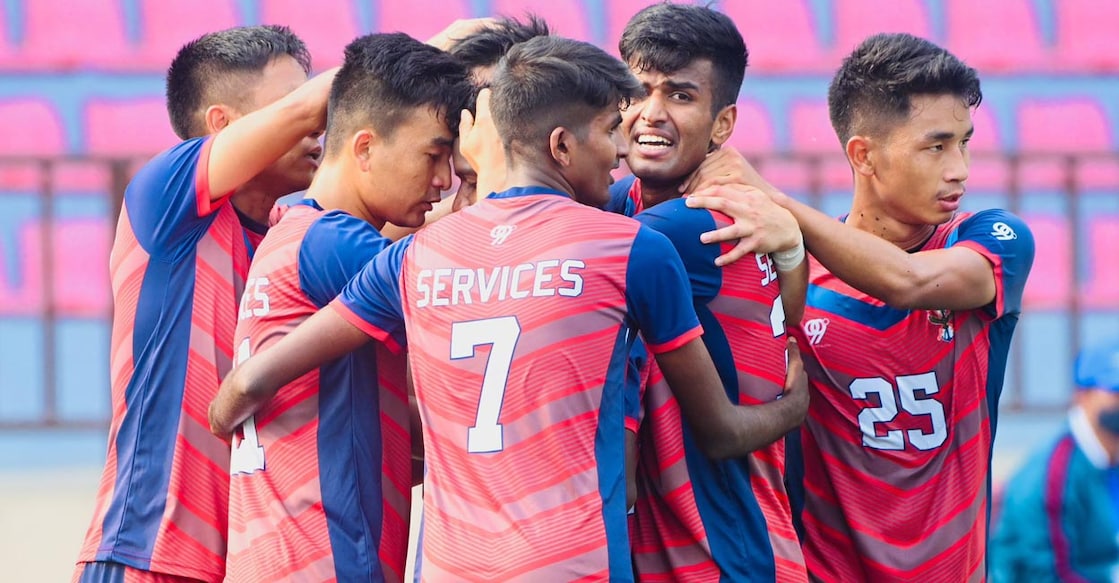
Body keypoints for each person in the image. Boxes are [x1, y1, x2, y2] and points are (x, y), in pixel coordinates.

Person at [213, 35, 808, 581]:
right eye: (608, 131)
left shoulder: (414, 258)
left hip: (451, 566)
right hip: (575, 562)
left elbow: (247, 383)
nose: (620, 151)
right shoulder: (632, 250)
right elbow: (722, 430)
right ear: (561, 145)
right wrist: (793, 406)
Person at [686, 33, 1036, 581]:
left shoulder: (992, 241)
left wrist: (771, 200)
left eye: (965, 143)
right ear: (863, 155)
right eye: (936, 146)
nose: (960, 169)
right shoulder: (789, 277)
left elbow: (908, 281)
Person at [207, 33, 472, 582]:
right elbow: (486, 293)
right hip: (328, 556)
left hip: (276, 556)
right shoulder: (341, 245)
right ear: (365, 147)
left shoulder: (291, 233)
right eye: (434, 155)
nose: (445, 182)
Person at [73, 25, 333, 583]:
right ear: (222, 124)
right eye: (292, 105)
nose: (318, 125)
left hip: (250, 563)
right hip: (149, 552)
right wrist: (412, 71)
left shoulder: (296, 242)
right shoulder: (163, 194)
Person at [612, 4, 810, 581]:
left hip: (724, 557)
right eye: (637, 92)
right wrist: (793, 253)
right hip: (675, 553)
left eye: (679, 95)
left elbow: (558, 243)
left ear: (722, 125)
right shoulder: (621, 208)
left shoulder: (703, 221)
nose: (650, 114)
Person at [990, 339, 1119, 583]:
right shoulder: (1052, 474)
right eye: (1115, 391)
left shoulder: (1107, 454)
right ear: (1083, 396)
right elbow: (1049, 574)